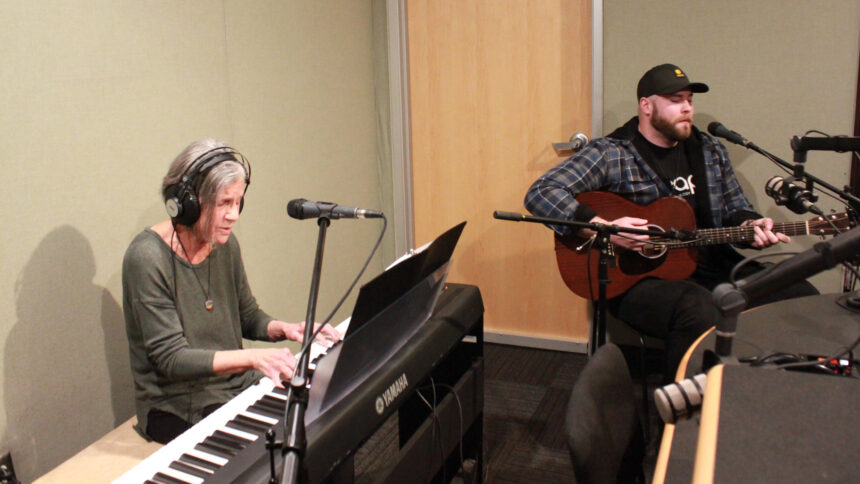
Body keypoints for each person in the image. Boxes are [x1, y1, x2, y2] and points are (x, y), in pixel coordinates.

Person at [525, 64, 817, 376]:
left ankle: (770, 390)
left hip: (712, 266)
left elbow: (736, 208)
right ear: (646, 106)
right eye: (676, 100)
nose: (687, 108)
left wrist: (750, 227)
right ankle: (680, 412)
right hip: (637, 279)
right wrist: (604, 229)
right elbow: (541, 193)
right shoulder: (613, 153)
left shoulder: (710, 150)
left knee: (799, 294)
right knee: (698, 309)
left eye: (690, 100)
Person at [122, 139, 341, 444]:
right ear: (189, 203)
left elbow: (247, 315)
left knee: (321, 410)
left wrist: (287, 329)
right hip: (176, 404)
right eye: (224, 203)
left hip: (234, 386)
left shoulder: (224, 244)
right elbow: (172, 359)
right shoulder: (147, 258)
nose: (234, 215)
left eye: (238, 202)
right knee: (276, 443)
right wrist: (253, 358)